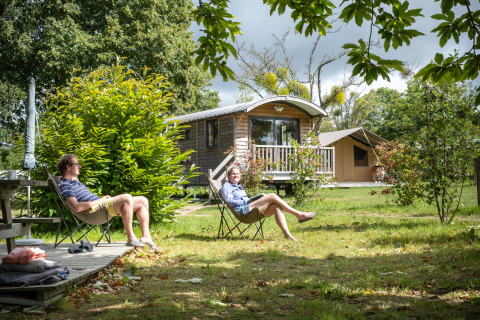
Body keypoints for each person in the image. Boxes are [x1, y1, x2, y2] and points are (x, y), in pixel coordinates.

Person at [56, 154, 156, 249]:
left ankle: (146, 237)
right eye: (77, 164)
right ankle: (131, 238)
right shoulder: (65, 185)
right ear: (68, 167)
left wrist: (103, 200)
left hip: (102, 207)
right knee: (126, 197)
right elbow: (77, 207)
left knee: (143, 201)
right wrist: (101, 200)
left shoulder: (77, 183)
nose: (80, 166)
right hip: (94, 213)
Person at [220, 166, 316, 241]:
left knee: (276, 206)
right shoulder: (227, 186)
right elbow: (229, 201)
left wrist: (252, 199)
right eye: (233, 174)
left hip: (249, 208)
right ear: (228, 176)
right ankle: (299, 215)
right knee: (272, 196)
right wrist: (247, 201)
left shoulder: (239, 187)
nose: (236, 175)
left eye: (237, 174)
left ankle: (287, 235)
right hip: (242, 212)